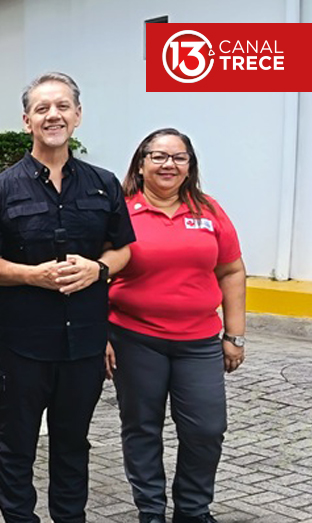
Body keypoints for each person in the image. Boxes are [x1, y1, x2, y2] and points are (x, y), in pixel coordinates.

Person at [0, 71, 136, 523]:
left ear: (77, 116)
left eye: (62, 106)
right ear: (27, 121)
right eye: (42, 108)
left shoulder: (103, 184)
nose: (53, 115)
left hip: (82, 345)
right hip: (22, 346)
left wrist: (98, 269)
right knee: (16, 444)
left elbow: (123, 249)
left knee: (72, 444)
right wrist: (32, 275)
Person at [105, 128, 246, 523]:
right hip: (135, 339)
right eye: (159, 156)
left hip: (199, 342)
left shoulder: (209, 211)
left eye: (179, 157)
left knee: (206, 428)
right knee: (142, 429)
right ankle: (151, 511)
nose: (169, 164)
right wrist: (101, 337)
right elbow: (98, 275)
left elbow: (232, 270)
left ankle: (192, 510)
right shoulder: (120, 211)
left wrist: (234, 335)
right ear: (141, 162)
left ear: (189, 166)